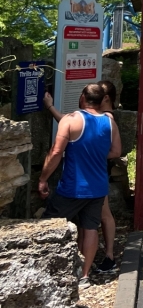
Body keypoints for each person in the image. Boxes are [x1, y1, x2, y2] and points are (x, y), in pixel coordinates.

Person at [39, 82, 121, 288]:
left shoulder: (71, 120)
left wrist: (43, 178)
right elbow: (116, 152)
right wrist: (95, 155)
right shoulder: (109, 122)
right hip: (98, 187)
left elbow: (57, 152)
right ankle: (84, 276)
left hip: (73, 187)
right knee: (91, 228)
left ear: (83, 97)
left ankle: (46, 270)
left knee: (49, 224)